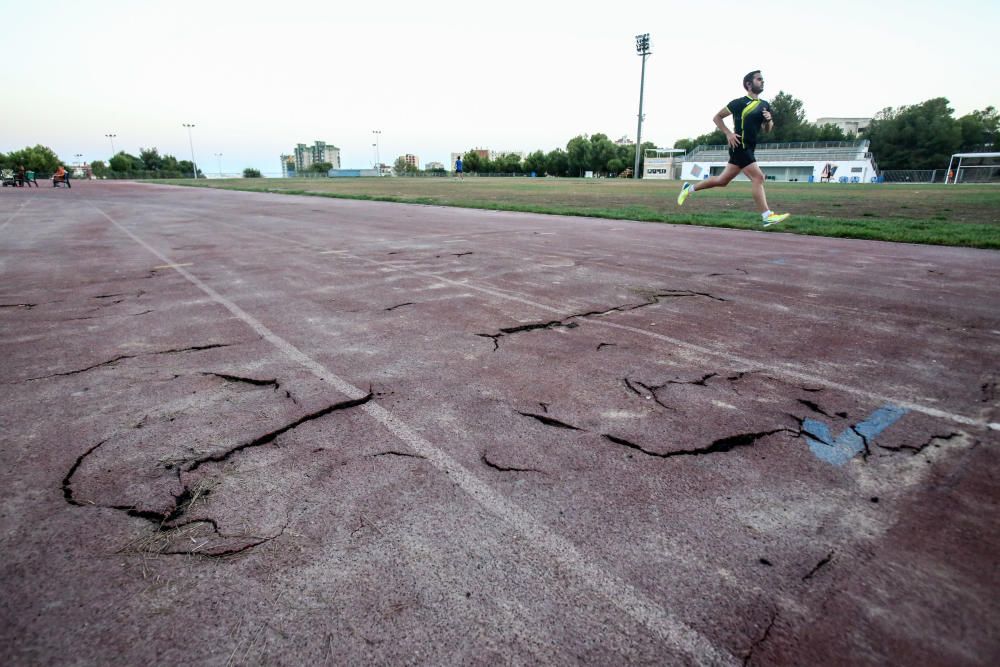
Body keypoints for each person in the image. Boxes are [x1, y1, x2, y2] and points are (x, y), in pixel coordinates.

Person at [677, 70, 789, 226]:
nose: (762, 82)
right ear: (749, 84)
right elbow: (717, 117)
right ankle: (767, 216)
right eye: (759, 79)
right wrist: (728, 133)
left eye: (763, 79)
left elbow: (767, 130)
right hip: (739, 146)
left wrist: (769, 121)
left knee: (722, 181)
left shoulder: (765, 105)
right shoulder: (738, 103)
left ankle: (688, 189)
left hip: (749, 147)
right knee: (758, 178)